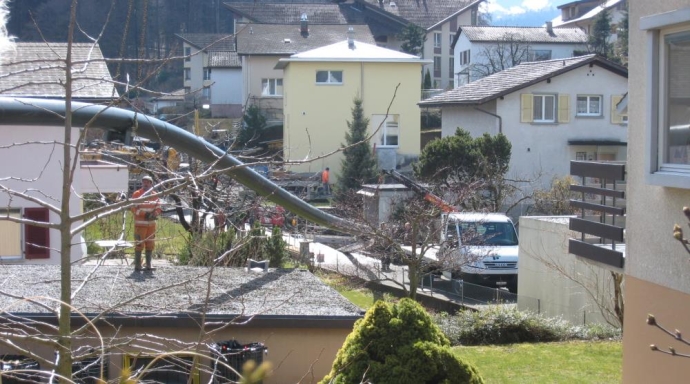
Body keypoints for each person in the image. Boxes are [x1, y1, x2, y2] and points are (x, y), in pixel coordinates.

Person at [131, 175, 161, 271]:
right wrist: (145, 214)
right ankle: (138, 265)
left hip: (151, 225)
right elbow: (133, 208)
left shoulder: (154, 194)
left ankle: (148, 264)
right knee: (139, 244)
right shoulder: (137, 194)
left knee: (150, 244)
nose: (146, 183)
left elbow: (158, 207)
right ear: (142, 183)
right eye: (144, 182)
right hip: (140, 225)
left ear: (151, 184)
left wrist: (155, 214)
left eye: (148, 182)